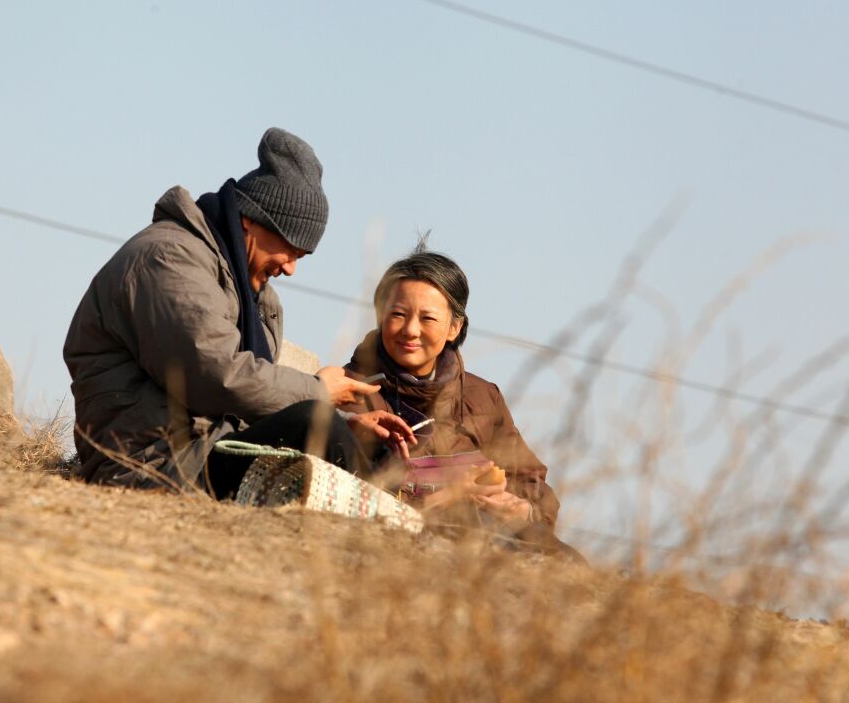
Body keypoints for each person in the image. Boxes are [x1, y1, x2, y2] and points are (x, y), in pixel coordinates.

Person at [63, 127, 414, 497]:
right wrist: (318, 393)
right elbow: (215, 376)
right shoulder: (170, 259)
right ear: (251, 219)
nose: (291, 268)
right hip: (154, 464)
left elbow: (250, 398)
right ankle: (381, 520)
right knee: (314, 421)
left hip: (208, 449)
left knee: (365, 444)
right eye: (291, 249)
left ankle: (396, 515)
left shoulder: (247, 287)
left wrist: (347, 422)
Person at [339, 246, 582, 560]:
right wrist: (452, 496)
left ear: (454, 328)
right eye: (398, 314)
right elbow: (355, 498)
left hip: (494, 546)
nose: (410, 330)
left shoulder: (483, 397)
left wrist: (525, 509)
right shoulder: (351, 392)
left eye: (427, 318)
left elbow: (529, 478)